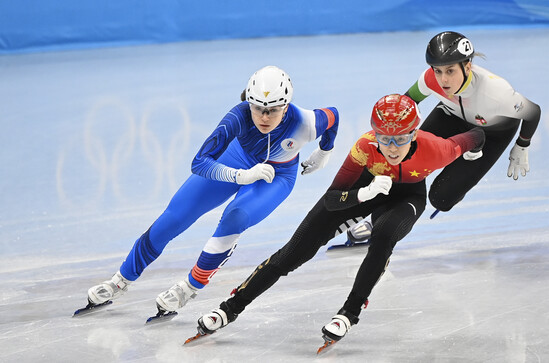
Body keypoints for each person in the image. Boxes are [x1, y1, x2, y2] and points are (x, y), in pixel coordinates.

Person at [191, 93, 486, 346]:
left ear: (413, 135)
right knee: (293, 253)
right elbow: (333, 199)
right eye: (384, 139)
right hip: (363, 189)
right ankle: (229, 308)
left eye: (400, 139)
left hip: (407, 197)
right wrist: (364, 194)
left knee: (384, 235)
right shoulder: (365, 147)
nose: (392, 147)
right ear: (375, 135)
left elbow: (476, 135)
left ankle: (349, 312)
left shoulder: (438, 149)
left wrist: (480, 150)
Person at [81, 66, 339, 317]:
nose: (263, 117)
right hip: (237, 160)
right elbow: (199, 162)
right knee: (174, 217)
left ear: (285, 107)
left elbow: (333, 116)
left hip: (277, 176)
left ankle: (190, 287)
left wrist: (324, 151)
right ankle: (120, 280)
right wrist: (240, 175)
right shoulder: (238, 117)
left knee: (234, 217)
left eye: (272, 111)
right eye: (258, 108)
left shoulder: (306, 122)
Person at [345, 30, 541, 243]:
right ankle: (377, 219)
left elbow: (533, 111)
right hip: (451, 115)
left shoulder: (497, 92)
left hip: (492, 131)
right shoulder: (431, 79)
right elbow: (407, 103)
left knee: (441, 198)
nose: (443, 80)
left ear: (467, 66)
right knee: (403, 157)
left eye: (450, 71)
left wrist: (522, 145)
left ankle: (460, 176)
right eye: (437, 71)